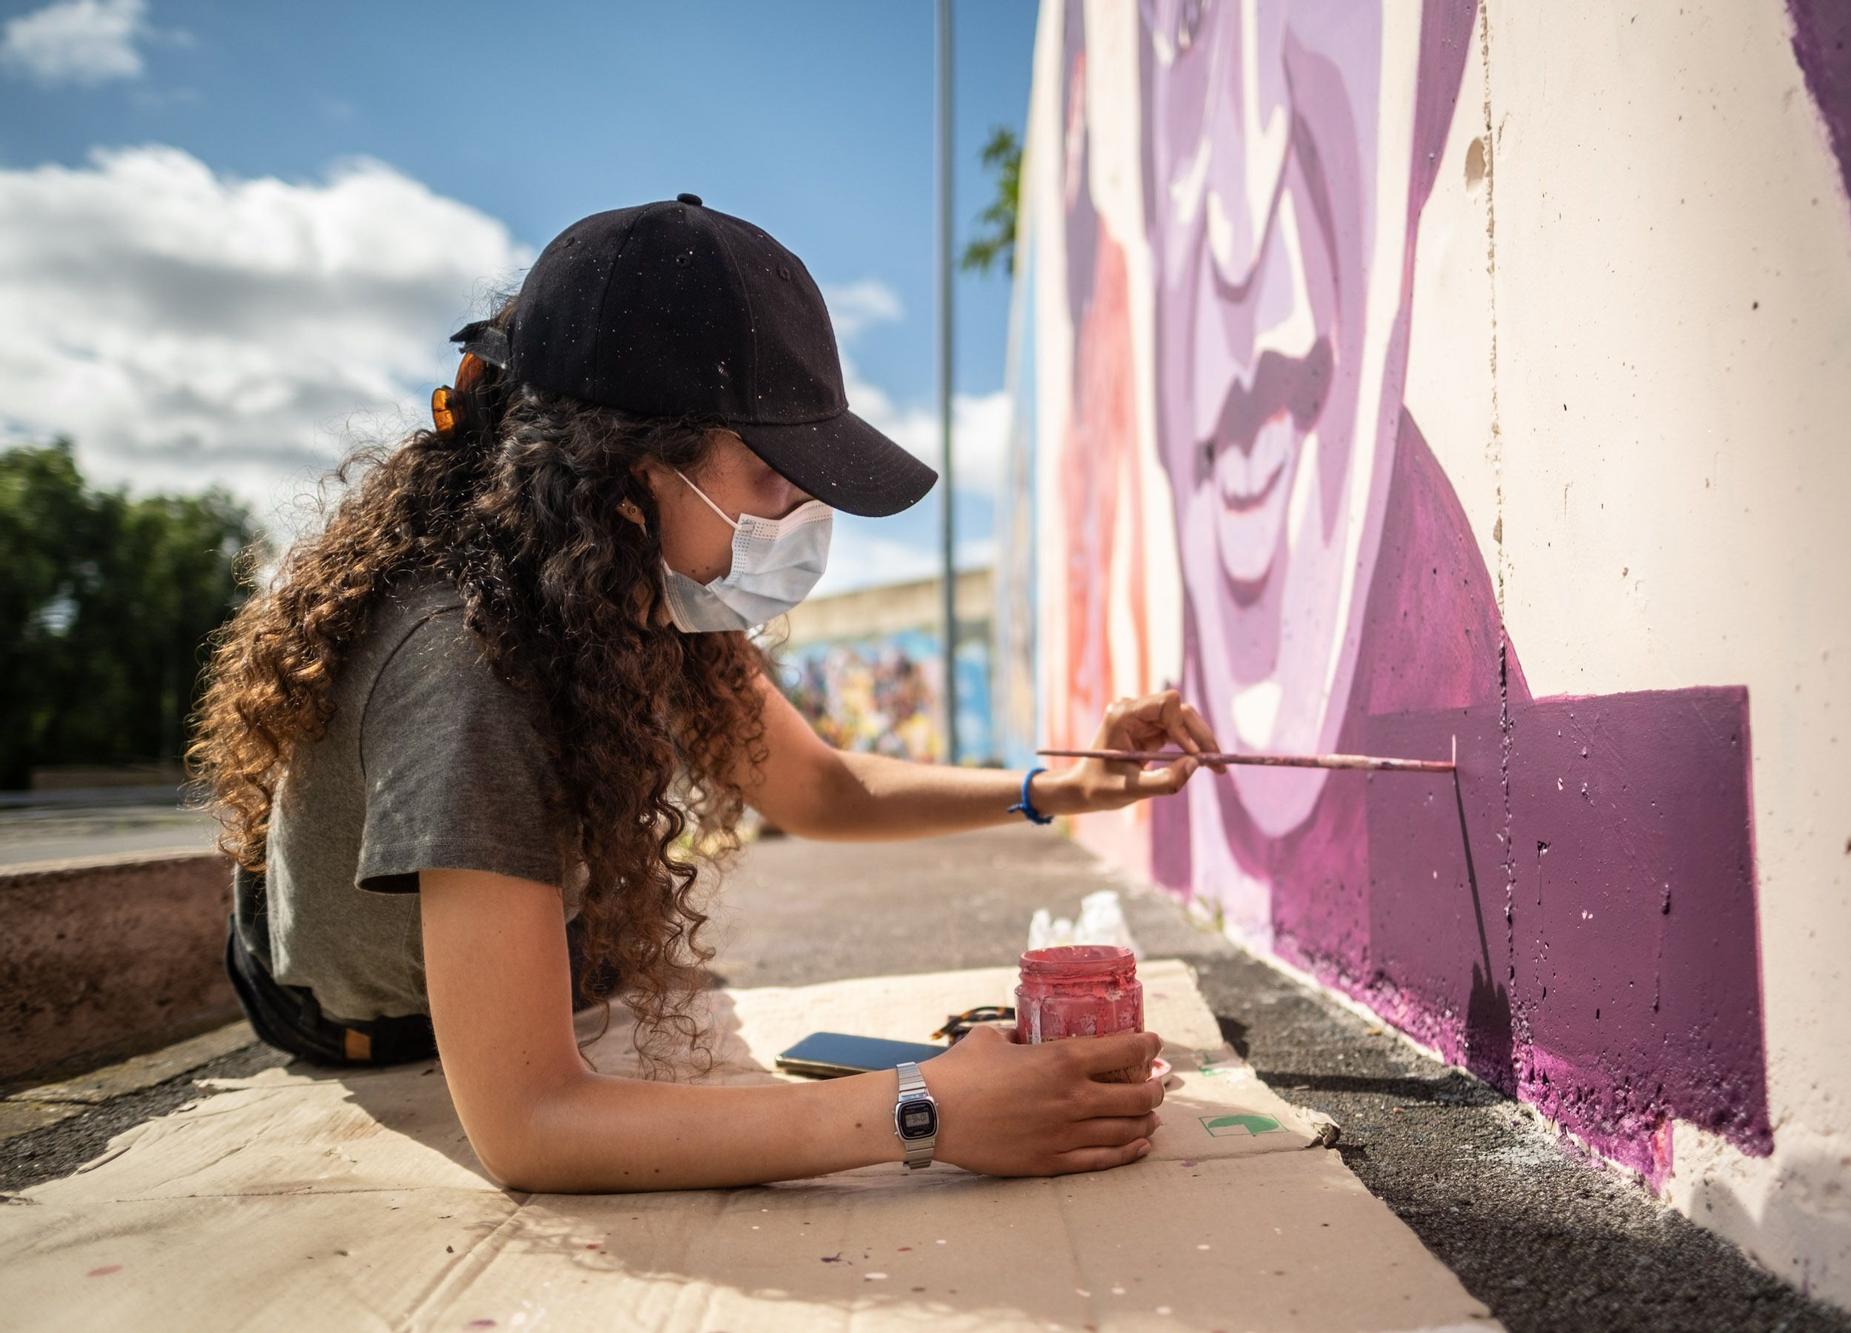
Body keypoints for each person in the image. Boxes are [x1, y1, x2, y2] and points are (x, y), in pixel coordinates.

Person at [187, 193, 1222, 1193]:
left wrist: (1061, 789)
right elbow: (530, 1122)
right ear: (622, 468)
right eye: (776, 476)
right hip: (371, 1018)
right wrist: (923, 1110)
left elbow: (821, 790)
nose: (805, 515)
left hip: (545, 940)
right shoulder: (462, 661)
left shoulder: (633, 581)